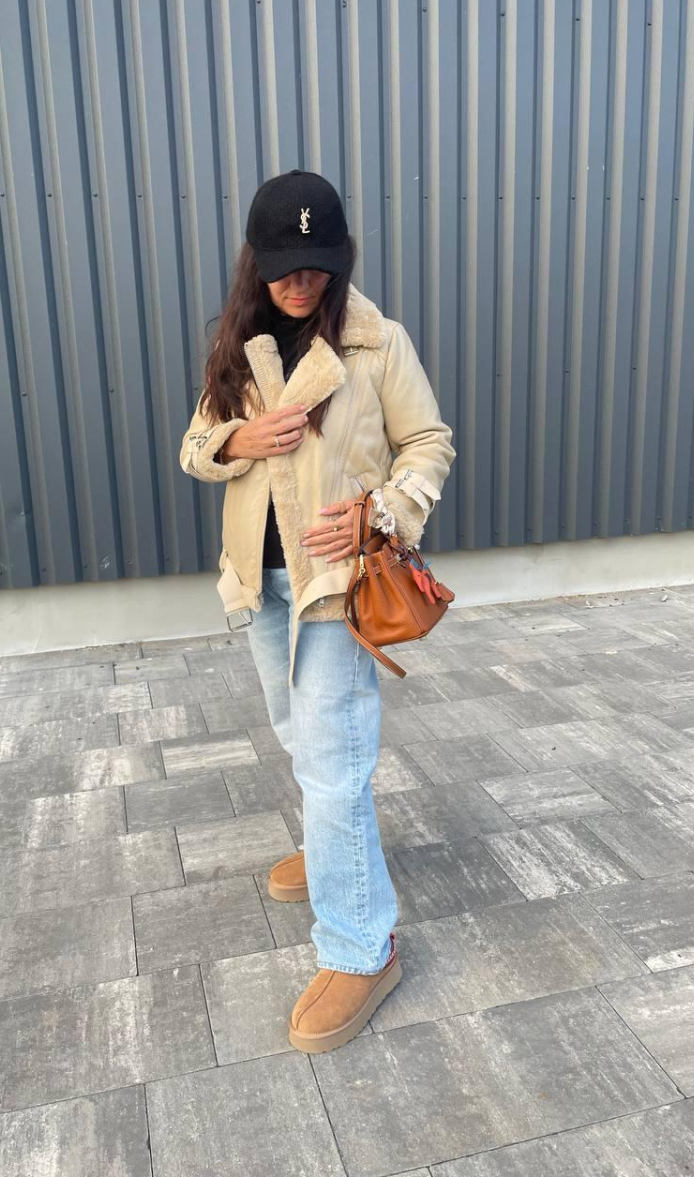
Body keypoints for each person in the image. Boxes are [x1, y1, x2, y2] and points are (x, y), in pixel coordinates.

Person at [179, 169, 456, 1053]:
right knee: (301, 737)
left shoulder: (378, 343)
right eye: (284, 267)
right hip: (259, 581)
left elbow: (428, 443)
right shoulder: (237, 346)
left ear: (342, 258)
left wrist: (385, 510)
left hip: (336, 585)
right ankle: (340, 851)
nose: (302, 283)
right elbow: (194, 448)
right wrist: (236, 438)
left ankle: (361, 947)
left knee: (334, 764)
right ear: (255, 264)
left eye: (318, 264)